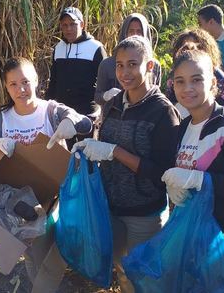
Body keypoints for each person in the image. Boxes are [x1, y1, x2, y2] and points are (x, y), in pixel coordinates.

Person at [72, 36, 180, 293]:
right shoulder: (112, 103)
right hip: (111, 206)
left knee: (145, 277)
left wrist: (115, 152)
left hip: (144, 212)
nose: (124, 72)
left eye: (133, 64)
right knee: (122, 270)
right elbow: (102, 141)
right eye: (120, 65)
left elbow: (163, 173)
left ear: (150, 66)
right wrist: (87, 149)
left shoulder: (162, 112)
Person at [0, 57, 92, 293]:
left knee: (47, 251)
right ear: (6, 87)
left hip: (51, 197)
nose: (21, 90)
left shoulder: (50, 110)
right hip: (16, 201)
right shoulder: (1, 118)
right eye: (13, 84)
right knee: (29, 253)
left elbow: (85, 122)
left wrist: (71, 122)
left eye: (26, 82)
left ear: (36, 80)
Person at [161, 49, 224, 265]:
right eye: (180, 81)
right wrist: (174, 186)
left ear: (213, 83)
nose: (187, 88)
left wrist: (200, 180)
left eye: (196, 80)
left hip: (222, 234)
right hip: (188, 227)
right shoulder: (183, 127)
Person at [45, 7, 107, 123]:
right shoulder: (58, 48)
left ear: (82, 24)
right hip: (62, 113)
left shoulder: (96, 48)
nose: (68, 29)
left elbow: (106, 81)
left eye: (73, 24)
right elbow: (54, 81)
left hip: (87, 113)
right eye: (64, 25)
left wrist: (102, 110)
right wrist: (46, 106)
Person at [94, 13, 161, 105]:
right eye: (131, 31)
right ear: (124, 33)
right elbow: (97, 97)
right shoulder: (107, 64)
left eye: (139, 32)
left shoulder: (154, 65)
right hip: (114, 115)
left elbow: (156, 94)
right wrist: (106, 95)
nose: (135, 35)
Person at [166, 28, 224, 118]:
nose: (192, 53)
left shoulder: (220, 78)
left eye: (196, 80)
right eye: (185, 50)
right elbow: (170, 104)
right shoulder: (173, 76)